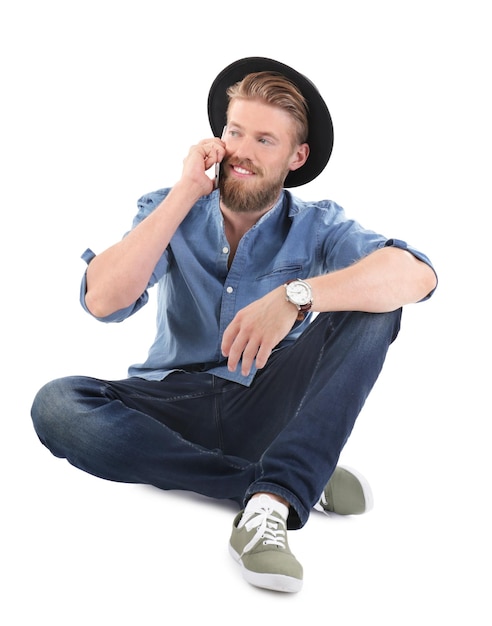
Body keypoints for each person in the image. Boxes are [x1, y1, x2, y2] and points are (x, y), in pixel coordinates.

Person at [31, 57, 437, 593]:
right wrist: (184, 191)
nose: (242, 150)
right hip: (174, 402)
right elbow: (104, 300)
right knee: (57, 405)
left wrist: (298, 296)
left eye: (265, 140)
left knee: (376, 306)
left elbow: (418, 275)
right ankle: (282, 482)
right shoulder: (171, 208)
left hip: (270, 400)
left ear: (298, 156)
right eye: (234, 131)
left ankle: (272, 501)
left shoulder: (319, 226)